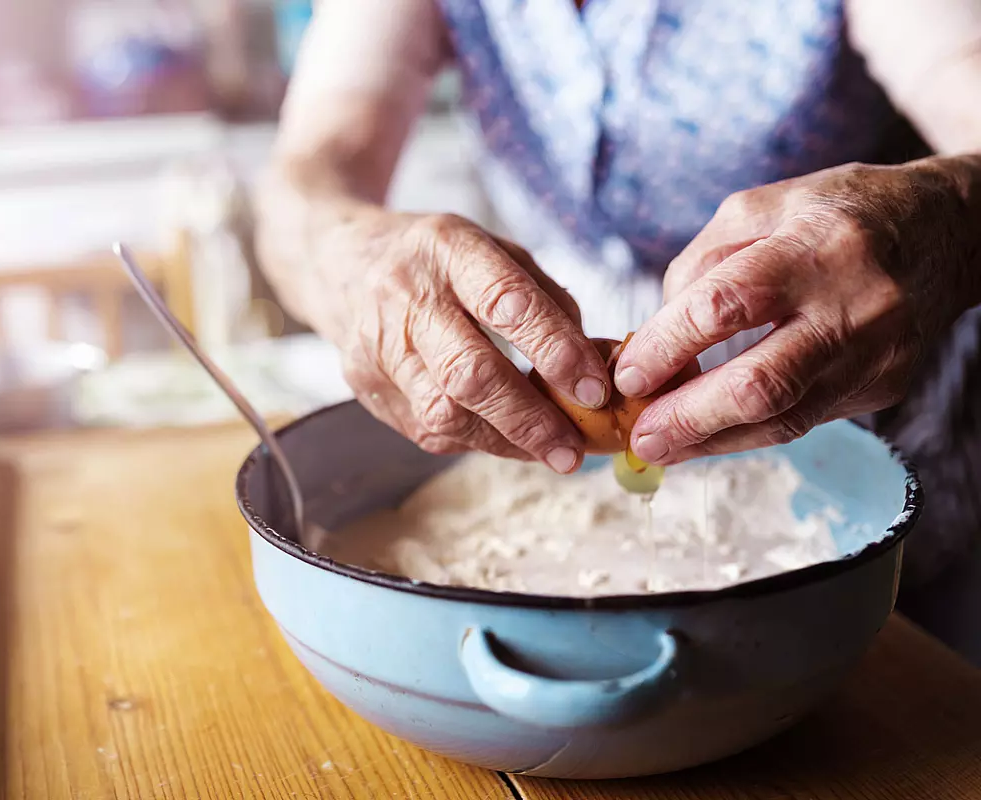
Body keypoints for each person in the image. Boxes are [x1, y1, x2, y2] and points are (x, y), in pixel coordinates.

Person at [253, 0, 981, 659]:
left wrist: (951, 210)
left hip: (865, 395)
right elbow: (309, 175)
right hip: (545, 406)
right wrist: (348, 250)